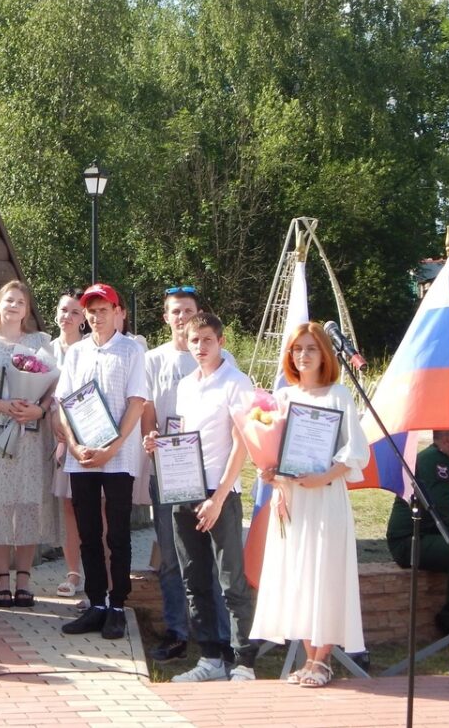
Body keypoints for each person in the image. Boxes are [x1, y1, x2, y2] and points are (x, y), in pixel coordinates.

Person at [250, 322, 370, 687]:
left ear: (324, 354)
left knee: (326, 574)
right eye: (297, 349)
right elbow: (271, 448)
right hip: (293, 499)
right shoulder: (283, 398)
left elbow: (356, 452)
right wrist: (271, 472)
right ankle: (307, 658)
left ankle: (323, 660)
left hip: (325, 497)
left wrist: (326, 475)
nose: (303, 355)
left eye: (311, 348)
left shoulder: (338, 396)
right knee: (299, 575)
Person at [144, 312, 257, 682]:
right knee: (194, 579)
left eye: (207, 340)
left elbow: (242, 444)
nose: (201, 347)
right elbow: (182, 437)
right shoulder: (186, 385)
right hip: (183, 490)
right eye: (195, 341)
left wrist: (219, 497)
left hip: (220, 494)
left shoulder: (237, 382)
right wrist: (157, 445)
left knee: (230, 581)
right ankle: (211, 658)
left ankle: (243, 661)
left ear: (221, 341)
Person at [140, 287, 231, 663]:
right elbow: (146, 406)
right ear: (166, 317)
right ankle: (177, 632)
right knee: (173, 557)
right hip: (169, 469)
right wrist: (151, 435)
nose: (180, 317)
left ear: (198, 314)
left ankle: (220, 637)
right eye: (174, 311)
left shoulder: (219, 358)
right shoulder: (152, 359)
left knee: (213, 557)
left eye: (187, 311)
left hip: (209, 473)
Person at [56, 283, 146, 641]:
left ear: (117, 311)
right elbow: (64, 403)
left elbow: (137, 403)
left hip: (119, 458)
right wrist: (75, 445)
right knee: (89, 532)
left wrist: (114, 447)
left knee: (119, 534)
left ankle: (118, 605)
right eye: (90, 311)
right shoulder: (76, 353)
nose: (95, 316)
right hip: (82, 459)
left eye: (103, 309)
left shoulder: (131, 351)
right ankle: (96, 603)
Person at [0, 280, 57, 607]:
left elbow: (53, 387)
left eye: (20, 303)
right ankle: (1, 578)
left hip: (32, 436)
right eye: (8, 300)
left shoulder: (39, 342)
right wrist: (4, 407)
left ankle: (24, 578)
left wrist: (40, 408)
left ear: (27, 310)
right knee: (0, 505)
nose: (13, 307)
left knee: (27, 505)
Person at [387, 422, 449, 637]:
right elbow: (445, 507)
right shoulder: (432, 462)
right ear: (447, 441)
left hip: (437, 533)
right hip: (411, 539)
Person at [50, 291, 86, 600]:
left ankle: (100, 570)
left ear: (84, 318)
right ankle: (73, 571)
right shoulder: (45, 350)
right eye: (64, 310)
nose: (68, 317)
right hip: (54, 437)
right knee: (68, 507)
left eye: (75, 312)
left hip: (88, 437)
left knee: (95, 508)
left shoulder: (91, 349)